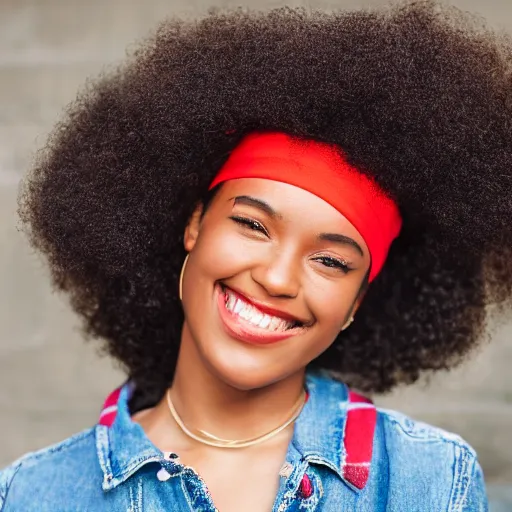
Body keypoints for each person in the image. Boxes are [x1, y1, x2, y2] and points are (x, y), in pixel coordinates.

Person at [1, 1, 511, 510]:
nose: (277, 277)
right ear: (194, 224)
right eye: (252, 225)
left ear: (358, 301)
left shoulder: (430, 482)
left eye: (331, 261)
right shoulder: (32, 494)